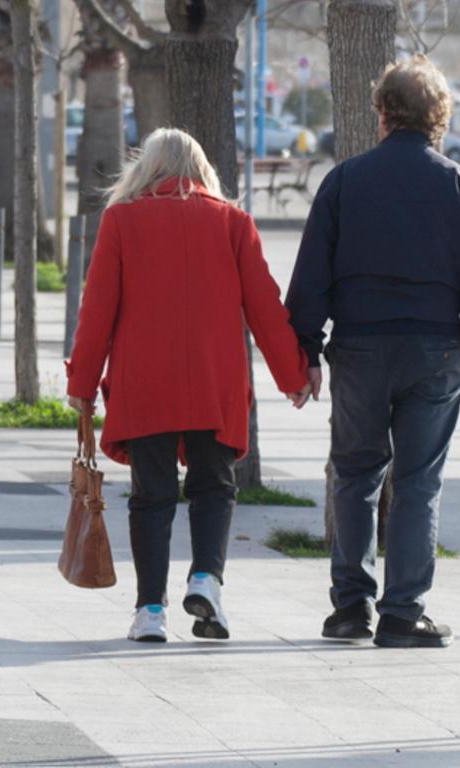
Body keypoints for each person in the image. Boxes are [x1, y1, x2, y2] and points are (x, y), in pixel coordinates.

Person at [286, 57, 460, 649]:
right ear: (437, 118)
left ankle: (350, 609)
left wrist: (307, 349)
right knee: (418, 482)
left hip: (359, 347)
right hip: (436, 349)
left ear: (382, 113)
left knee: (356, 474)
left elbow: (310, 279)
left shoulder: (343, 181)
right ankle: (403, 612)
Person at [66, 128, 311, 645]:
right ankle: (206, 581)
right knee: (214, 486)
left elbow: (97, 311)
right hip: (213, 383)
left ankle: (150, 612)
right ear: (203, 171)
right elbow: (265, 308)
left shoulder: (121, 221)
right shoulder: (232, 223)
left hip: (145, 383)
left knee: (151, 496)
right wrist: (292, 374)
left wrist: (82, 383)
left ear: (146, 170)